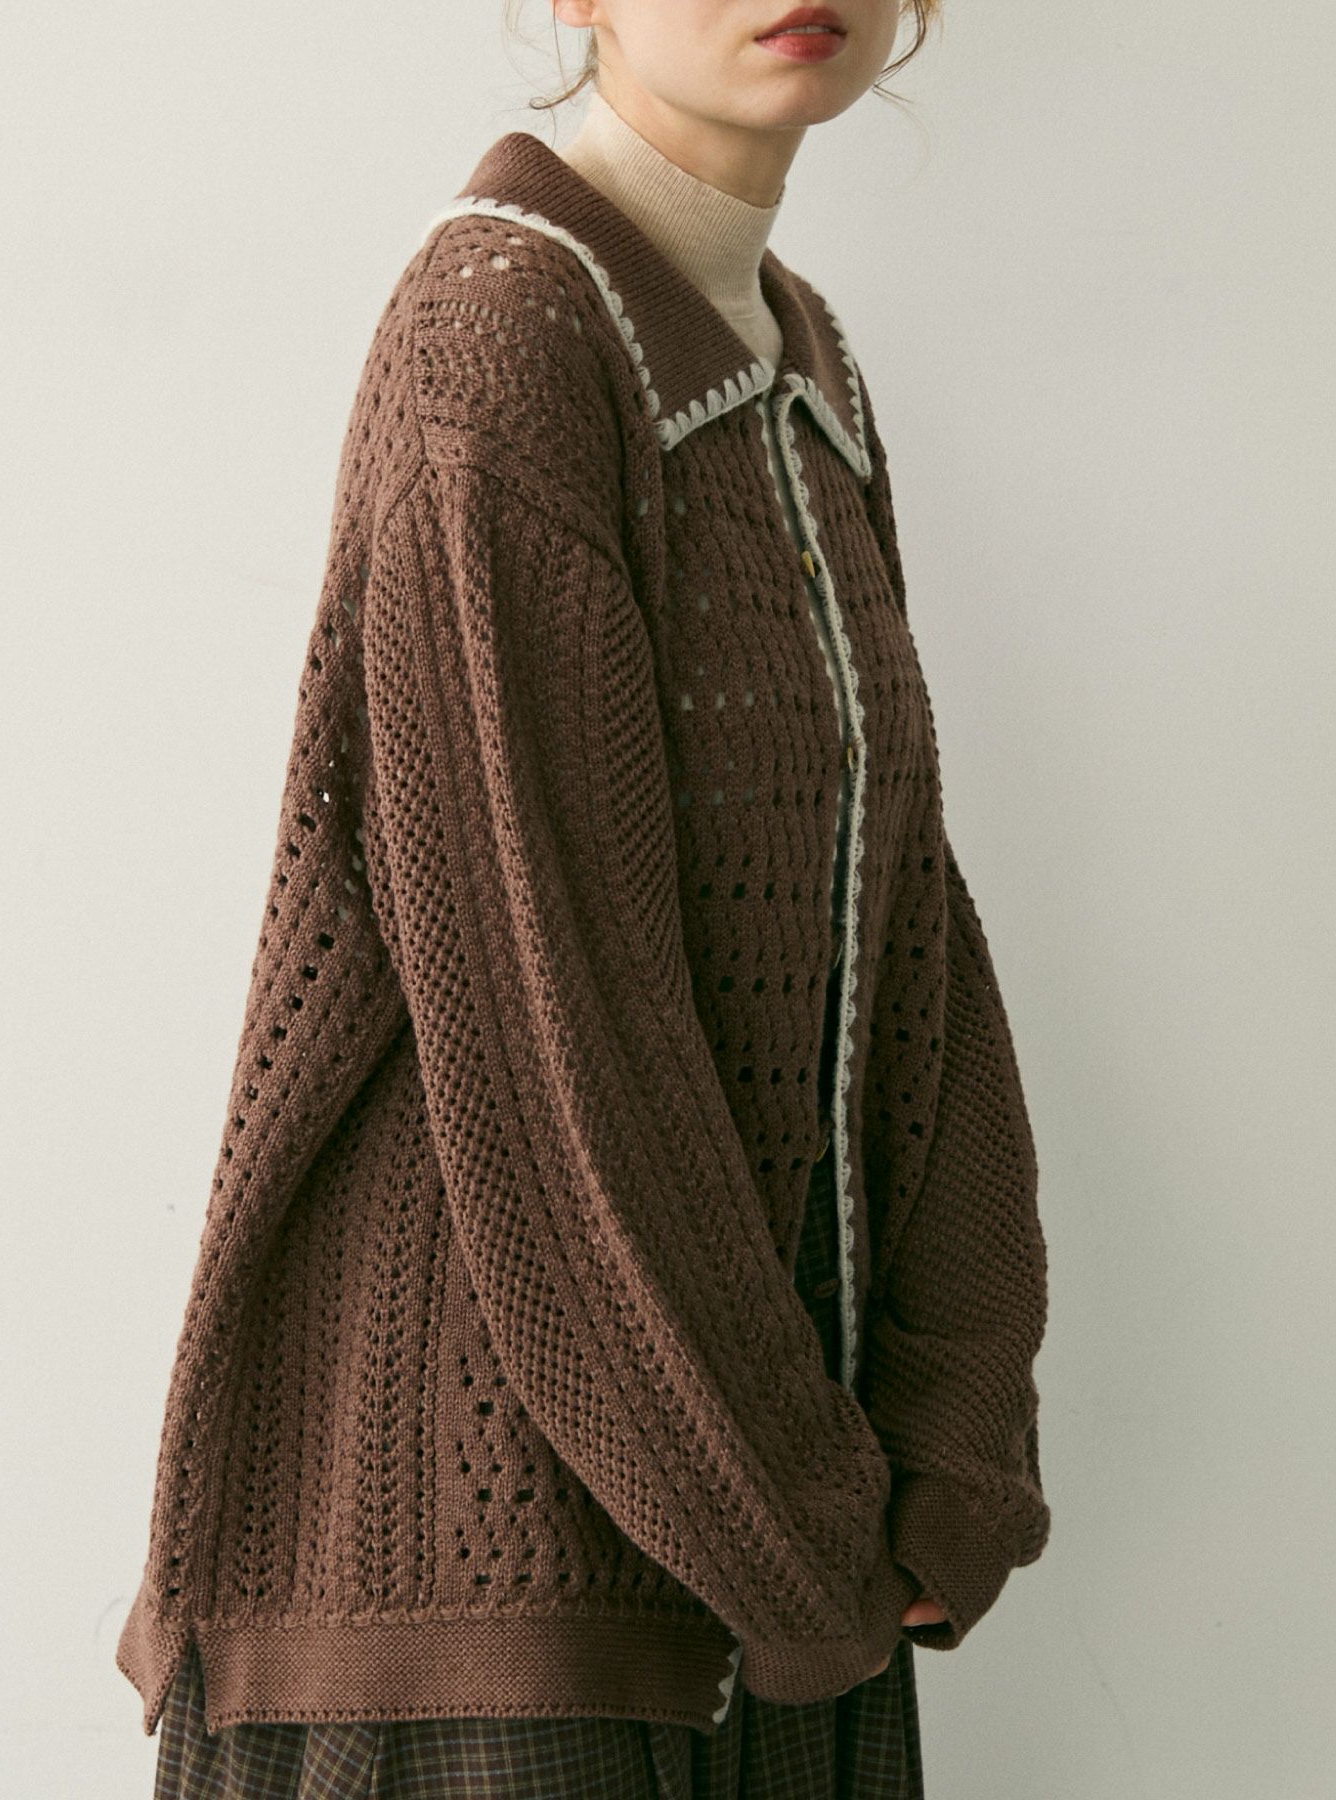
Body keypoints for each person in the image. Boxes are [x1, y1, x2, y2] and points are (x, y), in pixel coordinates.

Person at [122, 3, 1051, 1795]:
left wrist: (956, 1432)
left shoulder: (804, 364)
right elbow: (553, 1038)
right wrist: (806, 1531)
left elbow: (911, 933)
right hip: (503, 1596)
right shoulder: (506, 334)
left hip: (772, 1536)